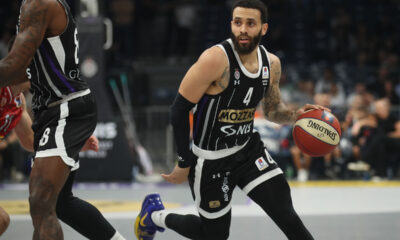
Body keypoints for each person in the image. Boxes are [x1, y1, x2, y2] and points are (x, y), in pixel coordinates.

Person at [135, 1, 327, 239]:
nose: (243, 29)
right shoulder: (215, 59)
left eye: (250, 23)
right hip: (211, 161)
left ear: (263, 28)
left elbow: (273, 110)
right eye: (238, 23)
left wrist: (298, 116)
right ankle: (154, 215)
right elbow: (179, 110)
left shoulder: (272, 64)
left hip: (249, 152)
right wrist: (184, 162)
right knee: (214, 235)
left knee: (287, 216)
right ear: (231, 25)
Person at [0, 0, 126, 239]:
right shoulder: (29, 10)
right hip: (56, 114)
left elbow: (14, 66)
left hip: (65, 108)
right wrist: (64, 141)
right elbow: (21, 76)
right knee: (60, 204)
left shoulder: (39, 4)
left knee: (41, 201)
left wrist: (68, 132)